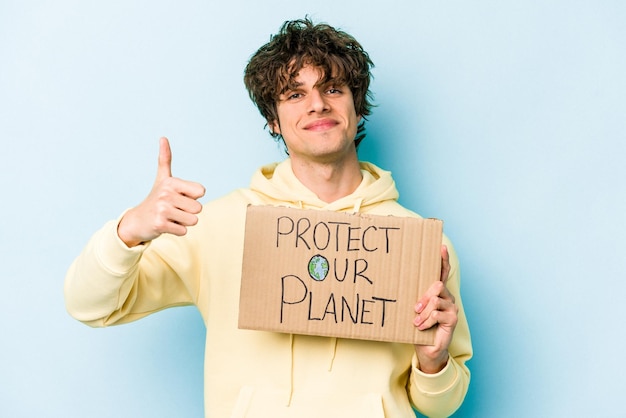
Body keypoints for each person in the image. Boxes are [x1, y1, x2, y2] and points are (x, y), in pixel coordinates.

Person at [64, 18, 472, 418]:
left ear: (357, 107)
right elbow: (89, 305)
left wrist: (433, 361)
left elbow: (442, 406)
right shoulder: (219, 227)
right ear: (273, 121)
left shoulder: (419, 243)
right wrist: (129, 231)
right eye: (295, 94)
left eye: (333, 88)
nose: (317, 104)